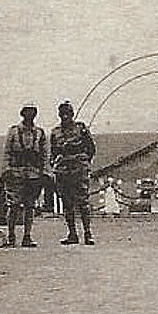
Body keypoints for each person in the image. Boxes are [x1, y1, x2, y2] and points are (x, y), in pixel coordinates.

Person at [1, 102, 49, 247]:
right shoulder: (14, 131)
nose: (30, 114)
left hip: (33, 174)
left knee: (30, 206)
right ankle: (11, 236)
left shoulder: (39, 133)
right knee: (13, 205)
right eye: (27, 111)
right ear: (22, 113)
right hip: (16, 172)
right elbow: (7, 152)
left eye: (33, 112)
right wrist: (6, 169)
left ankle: (27, 236)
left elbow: (45, 154)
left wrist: (45, 172)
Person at [50, 100, 96, 245]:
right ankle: (72, 234)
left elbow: (91, 148)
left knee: (83, 202)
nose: (65, 117)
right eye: (62, 114)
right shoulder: (55, 132)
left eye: (68, 114)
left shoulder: (81, 128)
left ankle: (88, 233)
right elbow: (53, 152)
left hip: (79, 168)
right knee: (67, 203)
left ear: (72, 114)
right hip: (63, 169)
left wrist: (84, 162)